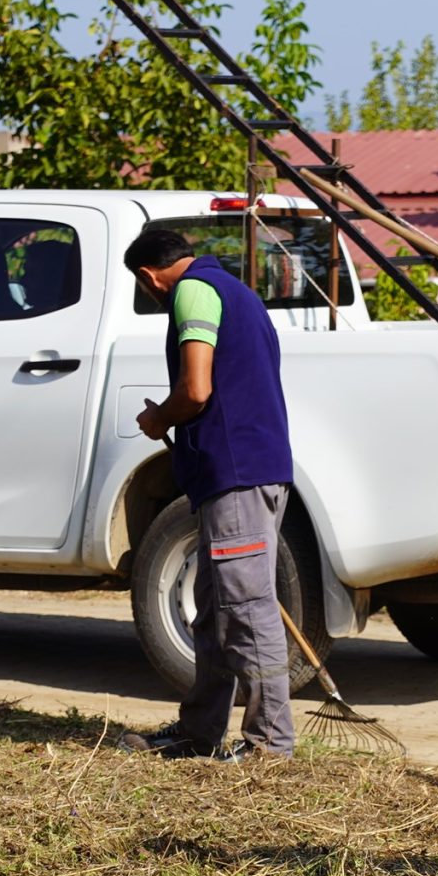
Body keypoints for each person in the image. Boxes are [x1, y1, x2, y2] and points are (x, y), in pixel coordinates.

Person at [116, 225, 298, 759]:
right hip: (250, 468)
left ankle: (269, 745)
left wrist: (158, 418)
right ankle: (199, 732)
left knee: (246, 607)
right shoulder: (236, 292)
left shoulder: (193, 291)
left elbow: (196, 390)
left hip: (237, 472)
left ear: (150, 276)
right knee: (216, 608)